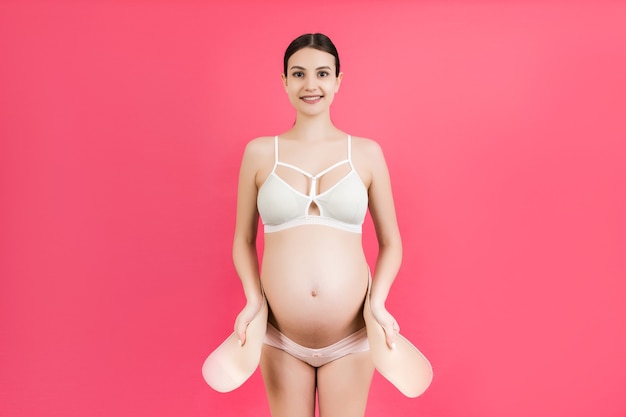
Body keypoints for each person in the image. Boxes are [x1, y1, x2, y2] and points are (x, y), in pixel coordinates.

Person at [228, 33, 422, 417]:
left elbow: (391, 242)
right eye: (298, 74)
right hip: (280, 336)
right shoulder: (260, 152)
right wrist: (252, 300)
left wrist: (379, 303)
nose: (310, 85)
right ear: (284, 81)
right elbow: (243, 239)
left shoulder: (366, 153)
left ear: (338, 81)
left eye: (322, 73)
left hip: (351, 336)